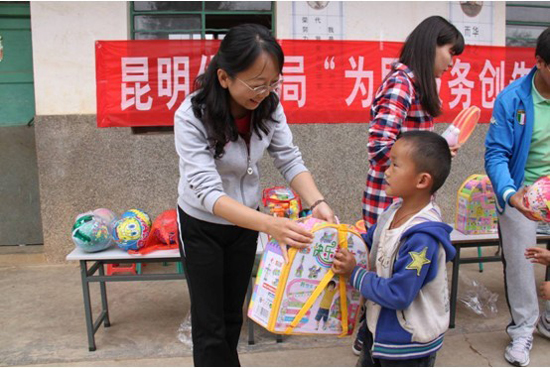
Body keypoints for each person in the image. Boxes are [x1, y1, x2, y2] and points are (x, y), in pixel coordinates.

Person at [174, 24, 335, 366]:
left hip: (245, 224)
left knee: (233, 314)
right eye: (256, 84)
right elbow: (207, 193)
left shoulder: (269, 108)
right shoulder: (191, 116)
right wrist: (269, 224)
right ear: (223, 77)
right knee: (209, 323)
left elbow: (289, 158)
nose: (264, 92)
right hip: (202, 224)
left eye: (273, 82)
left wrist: (317, 203)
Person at [355, 15, 464, 356]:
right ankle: (375, 339)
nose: (452, 62)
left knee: (396, 280)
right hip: (390, 204)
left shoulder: (417, 83)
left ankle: (380, 339)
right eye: (450, 51)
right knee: (385, 276)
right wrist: (425, 156)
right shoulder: (403, 82)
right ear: (432, 44)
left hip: (408, 202)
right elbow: (380, 146)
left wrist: (436, 150)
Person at [334, 131, 456, 367]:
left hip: (408, 345)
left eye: (395, 165)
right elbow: (368, 241)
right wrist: (336, 238)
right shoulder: (393, 212)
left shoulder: (422, 238)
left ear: (422, 181)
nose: (386, 171)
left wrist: (354, 273)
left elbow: (399, 294)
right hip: (378, 332)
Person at [484, 27, 550, 367]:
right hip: (523, 193)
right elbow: (496, 155)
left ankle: (549, 318)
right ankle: (523, 327)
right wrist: (511, 195)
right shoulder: (513, 99)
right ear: (539, 62)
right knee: (523, 258)